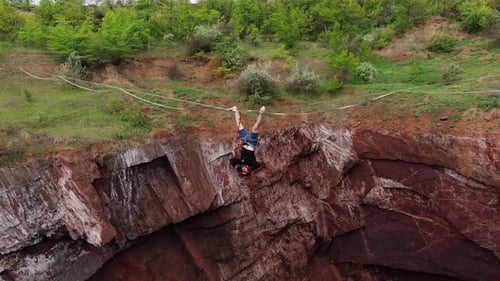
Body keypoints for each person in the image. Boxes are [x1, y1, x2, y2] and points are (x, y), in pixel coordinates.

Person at [227, 105, 265, 176]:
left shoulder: (241, 162)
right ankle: (261, 112)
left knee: (239, 125)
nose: (244, 170)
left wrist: (238, 168)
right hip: (251, 143)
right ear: (248, 170)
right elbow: (258, 165)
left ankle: (235, 109)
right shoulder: (252, 164)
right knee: (255, 128)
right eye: (245, 171)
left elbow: (231, 161)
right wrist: (251, 168)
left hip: (244, 142)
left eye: (243, 171)